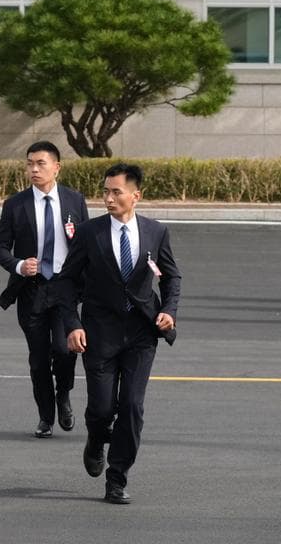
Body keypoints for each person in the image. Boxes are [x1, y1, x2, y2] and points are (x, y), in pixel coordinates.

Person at [56, 163, 180, 505]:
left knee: (132, 407)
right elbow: (66, 282)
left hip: (141, 333)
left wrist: (168, 311)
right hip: (99, 334)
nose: (108, 198)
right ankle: (96, 438)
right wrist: (72, 324)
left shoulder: (156, 232)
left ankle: (117, 478)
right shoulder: (88, 233)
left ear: (135, 195)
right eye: (105, 192)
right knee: (100, 409)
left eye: (116, 192)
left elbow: (171, 277)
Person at [0, 140, 90, 438]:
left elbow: (85, 245)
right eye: (30, 163)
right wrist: (20, 265)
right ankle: (46, 416)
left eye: (41, 163)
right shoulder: (15, 204)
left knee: (63, 349)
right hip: (31, 290)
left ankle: (64, 395)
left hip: (65, 288)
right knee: (38, 358)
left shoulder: (75, 201)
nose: (34, 169)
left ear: (56, 167)